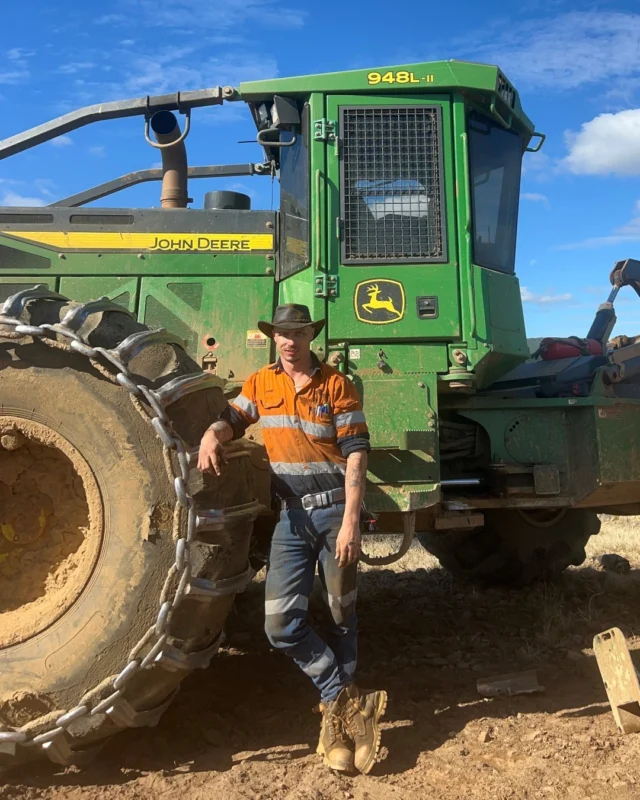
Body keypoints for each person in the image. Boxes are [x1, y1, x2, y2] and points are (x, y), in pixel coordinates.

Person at [198, 304, 387, 774]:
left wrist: (350, 521)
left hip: (334, 514)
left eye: (298, 333)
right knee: (281, 626)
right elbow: (233, 418)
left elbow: (357, 455)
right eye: (282, 333)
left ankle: (336, 726)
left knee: (343, 613)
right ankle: (342, 699)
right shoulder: (262, 382)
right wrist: (211, 433)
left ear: (309, 337)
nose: (289, 341)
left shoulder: (336, 385)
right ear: (273, 338)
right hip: (291, 519)